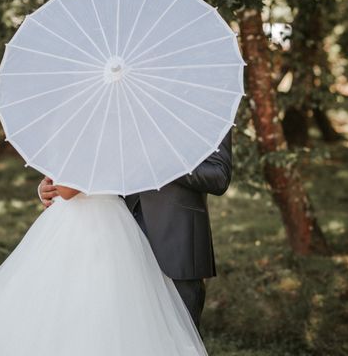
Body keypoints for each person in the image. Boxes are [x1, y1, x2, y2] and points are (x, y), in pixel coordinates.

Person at [0, 185, 208, 355]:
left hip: (95, 223)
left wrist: (56, 179)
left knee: (81, 306)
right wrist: (45, 186)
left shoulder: (97, 125)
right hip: (109, 220)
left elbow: (67, 187)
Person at [39, 129, 232, 328]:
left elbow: (219, 177)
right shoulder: (117, 102)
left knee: (182, 341)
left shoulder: (205, 106)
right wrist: (52, 190)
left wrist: (158, 157)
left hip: (177, 241)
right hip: (116, 241)